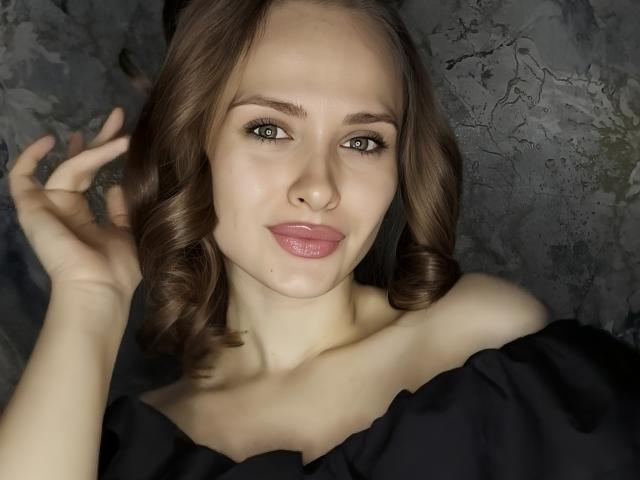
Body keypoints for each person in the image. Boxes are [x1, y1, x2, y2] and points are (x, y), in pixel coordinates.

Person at [1, 0, 639, 479]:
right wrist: (90, 296)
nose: (319, 187)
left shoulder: (486, 344)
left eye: (362, 141)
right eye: (270, 130)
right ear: (191, 145)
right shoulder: (116, 448)